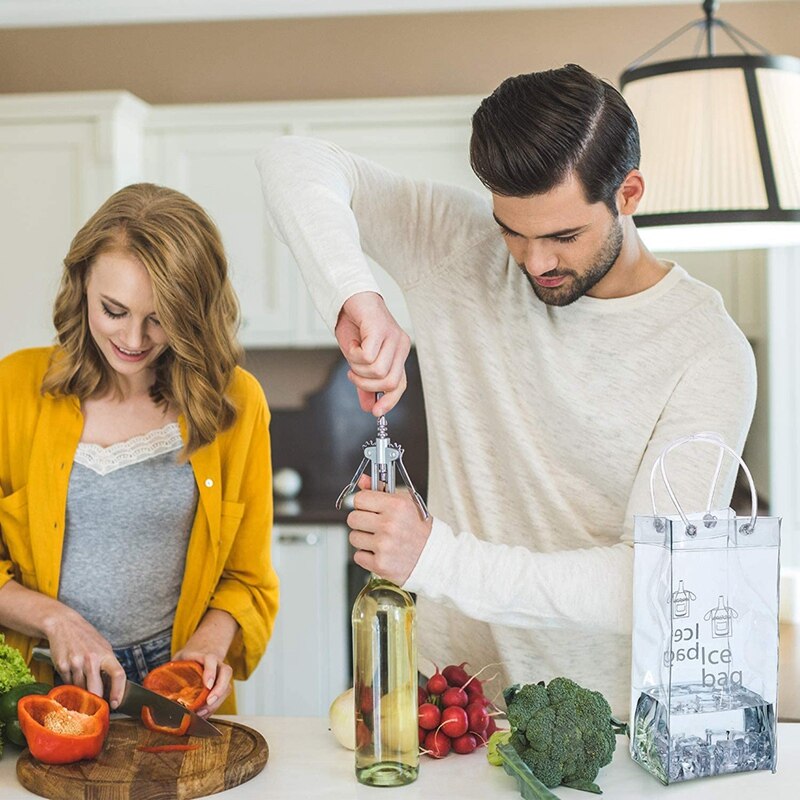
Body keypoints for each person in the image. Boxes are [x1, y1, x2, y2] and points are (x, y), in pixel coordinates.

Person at [256, 64, 755, 716]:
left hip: (607, 727)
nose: (535, 262)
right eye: (512, 231)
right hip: (449, 707)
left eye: (563, 236)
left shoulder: (707, 351)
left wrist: (438, 559)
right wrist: (358, 295)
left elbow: (650, 578)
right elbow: (292, 161)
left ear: (628, 193)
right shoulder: (455, 242)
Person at [0, 183, 278, 716]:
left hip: (173, 684)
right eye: (114, 309)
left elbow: (248, 580)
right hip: (37, 679)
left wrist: (208, 645)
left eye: (160, 317)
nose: (133, 338)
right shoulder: (14, 390)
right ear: (81, 283)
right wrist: (58, 620)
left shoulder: (234, 404)